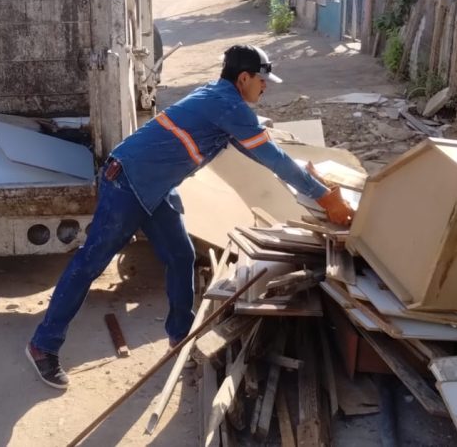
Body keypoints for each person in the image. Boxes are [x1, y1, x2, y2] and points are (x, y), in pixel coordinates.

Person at [25, 44, 354, 389]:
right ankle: (42, 346)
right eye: (262, 80)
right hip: (127, 181)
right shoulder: (227, 105)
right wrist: (323, 197)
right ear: (244, 78)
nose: (265, 87)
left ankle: (179, 338)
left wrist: (315, 183)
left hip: (156, 187)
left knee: (181, 256)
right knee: (90, 264)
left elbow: (265, 155)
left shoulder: (222, 100)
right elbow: (274, 159)